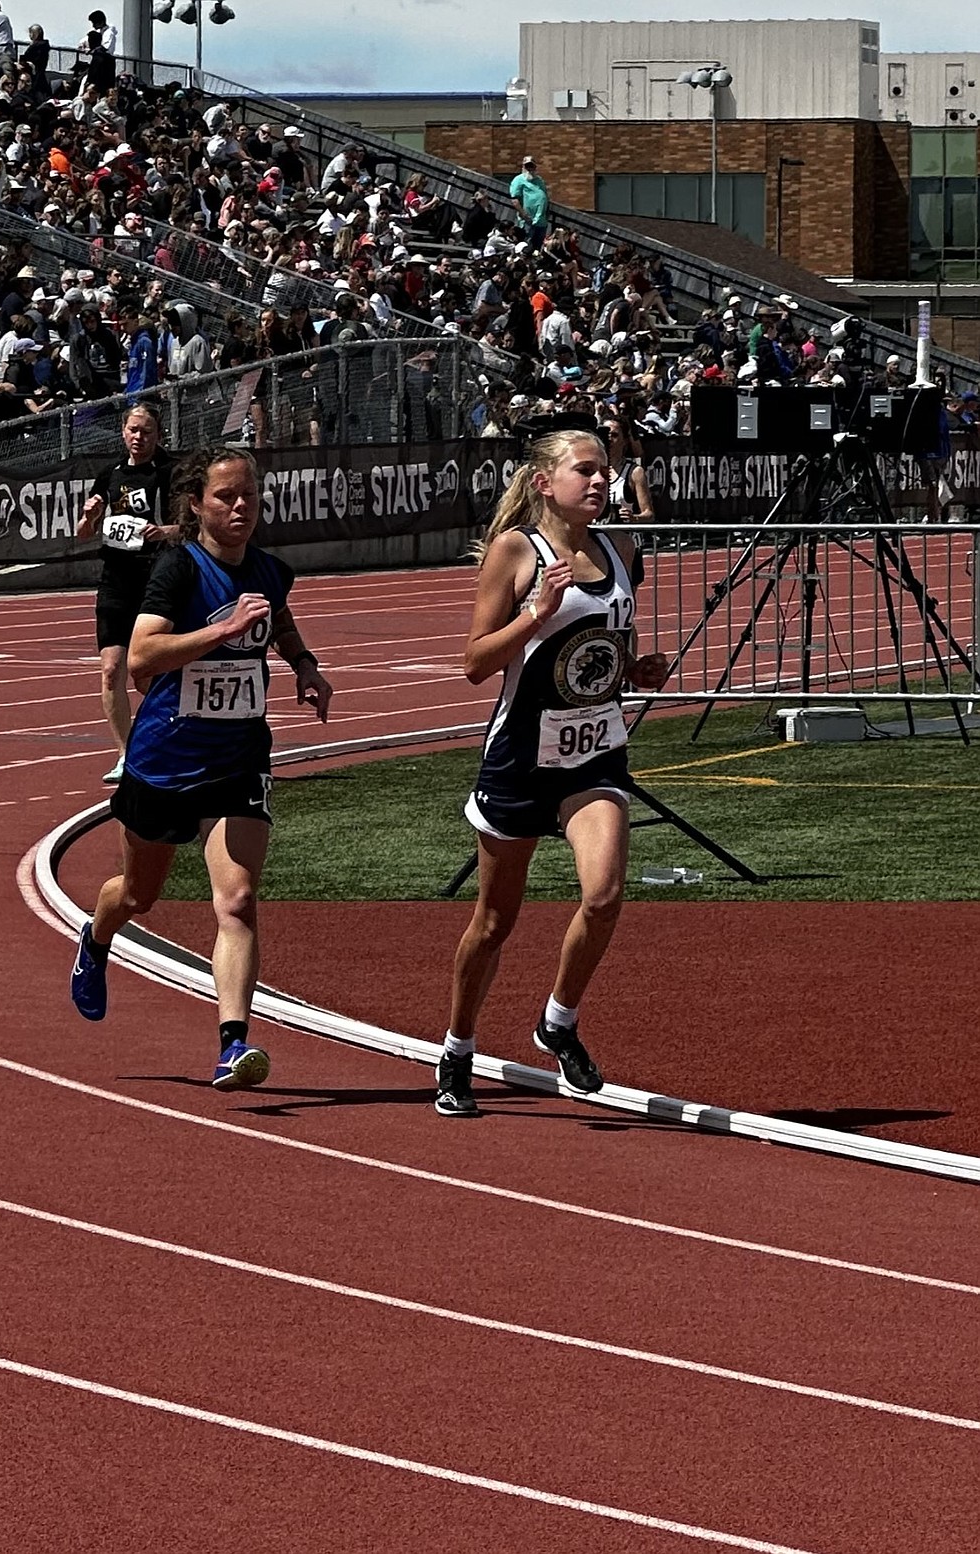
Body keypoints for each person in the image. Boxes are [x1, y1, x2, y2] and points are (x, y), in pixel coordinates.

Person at [70, 445, 333, 1092]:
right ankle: (96, 937)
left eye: (249, 495)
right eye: (226, 497)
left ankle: (232, 1045)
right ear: (195, 505)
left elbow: (278, 619)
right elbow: (141, 658)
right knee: (139, 895)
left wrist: (303, 665)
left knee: (238, 900)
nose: (241, 506)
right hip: (165, 761)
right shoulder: (177, 570)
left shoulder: (271, 572)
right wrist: (221, 633)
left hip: (238, 760)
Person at [433, 422, 668, 1118]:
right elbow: (476, 663)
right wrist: (535, 614)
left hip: (594, 753)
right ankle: (457, 1047)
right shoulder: (516, 551)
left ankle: (558, 1021)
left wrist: (634, 667)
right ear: (544, 484)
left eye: (605, 471)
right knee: (494, 921)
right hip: (519, 760)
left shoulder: (619, 548)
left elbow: (599, 644)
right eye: (585, 471)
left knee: (603, 895)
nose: (600, 481)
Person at [76, 404, 176, 784]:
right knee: (111, 669)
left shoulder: (170, 472)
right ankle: (125, 754)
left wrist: (164, 532)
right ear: (122, 432)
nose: (139, 438)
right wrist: (90, 515)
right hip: (116, 579)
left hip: (156, 579)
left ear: (158, 435)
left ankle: (163, 739)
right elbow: (84, 532)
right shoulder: (110, 475)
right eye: (133, 430)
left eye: (146, 432)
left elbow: (194, 525)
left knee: (146, 673)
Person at [509, 155, 550, 254]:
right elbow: (514, 199)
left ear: (535, 167)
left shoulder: (539, 180)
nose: (529, 169)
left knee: (538, 248)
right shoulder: (518, 180)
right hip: (528, 220)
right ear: (523, 167)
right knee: (527, 245)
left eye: (531, 166)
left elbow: (544, 197)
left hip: (541, 220)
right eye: (527, 166)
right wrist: (523, 214)